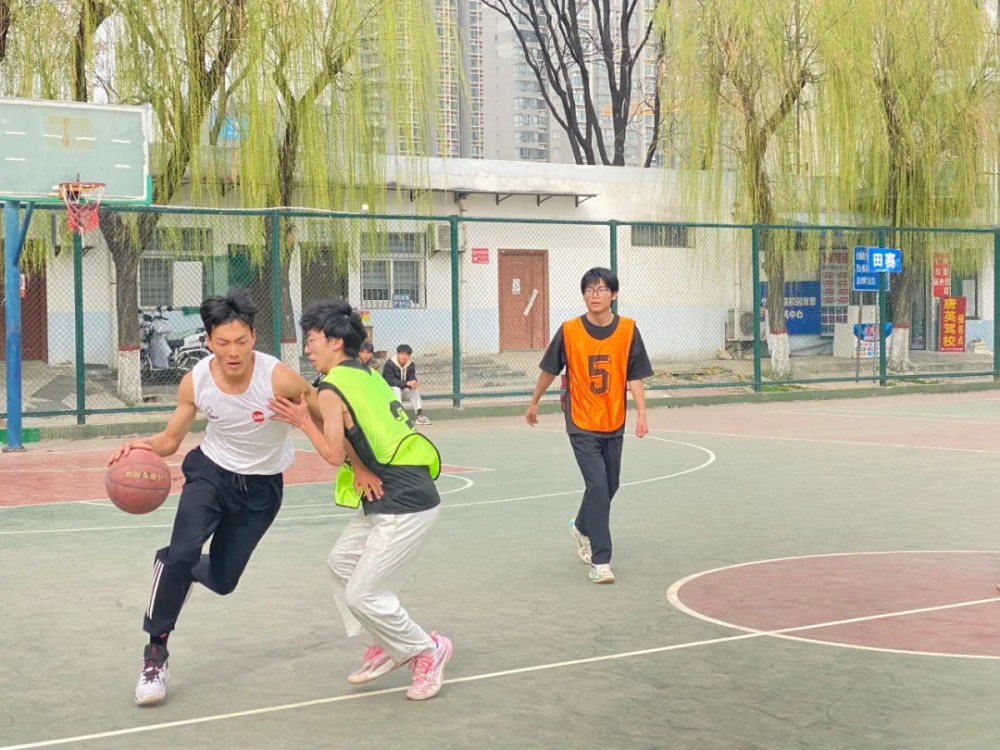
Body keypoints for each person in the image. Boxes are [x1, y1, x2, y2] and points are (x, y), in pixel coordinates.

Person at [109, 288, 318, 706]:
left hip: (261, 489)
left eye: (241, 341)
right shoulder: (197, 380)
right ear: (208, 341)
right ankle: (155, 655)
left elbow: (322, 410)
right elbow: (171, 440)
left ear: (253, 337)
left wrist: (319, 428)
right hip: (210, 474)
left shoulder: (278, 378)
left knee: (223, 581)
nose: (233, 351)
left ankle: (179, 567)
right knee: (181, 553)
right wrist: (142, 446)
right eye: (223, 342)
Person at [269, 300, 452, 701]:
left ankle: (427, 650)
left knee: (363, 594)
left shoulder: (332, 388)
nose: (307, 349)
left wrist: (303, 421)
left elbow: (333, 453)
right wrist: (361, 467)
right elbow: (361, 430)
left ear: (335, 342)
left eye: (312, 340)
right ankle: (388, 642)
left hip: (404, 501)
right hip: (393, 491)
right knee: (341, 564)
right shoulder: (366, 374)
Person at [525, 267, 653, 584]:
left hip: (613, 418)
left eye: (601, 289)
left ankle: (582, 526)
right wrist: (534, 400)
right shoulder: (569, 331)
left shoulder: (628, 330)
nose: (595, 295)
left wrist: (641, 413)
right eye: (589, 290)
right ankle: (601, 560)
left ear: (614, 294)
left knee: (610, 485)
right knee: (597, 485)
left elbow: (634, 375)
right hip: (580, 419)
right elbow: (550, 369)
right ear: (583, 295)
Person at [382, 344, 431, 425]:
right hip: (390, 393)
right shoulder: (389, 364)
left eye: (407, 354)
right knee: (396, 389)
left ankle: (419, 416)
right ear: (397, 354)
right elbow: (389, 381)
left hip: (403, 392)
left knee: (414, 389)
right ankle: (399, 416)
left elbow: (411, 378)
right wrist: (406, 383)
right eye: (402, 354)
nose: (404, 357)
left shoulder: (411, 364)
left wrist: (414, 382)